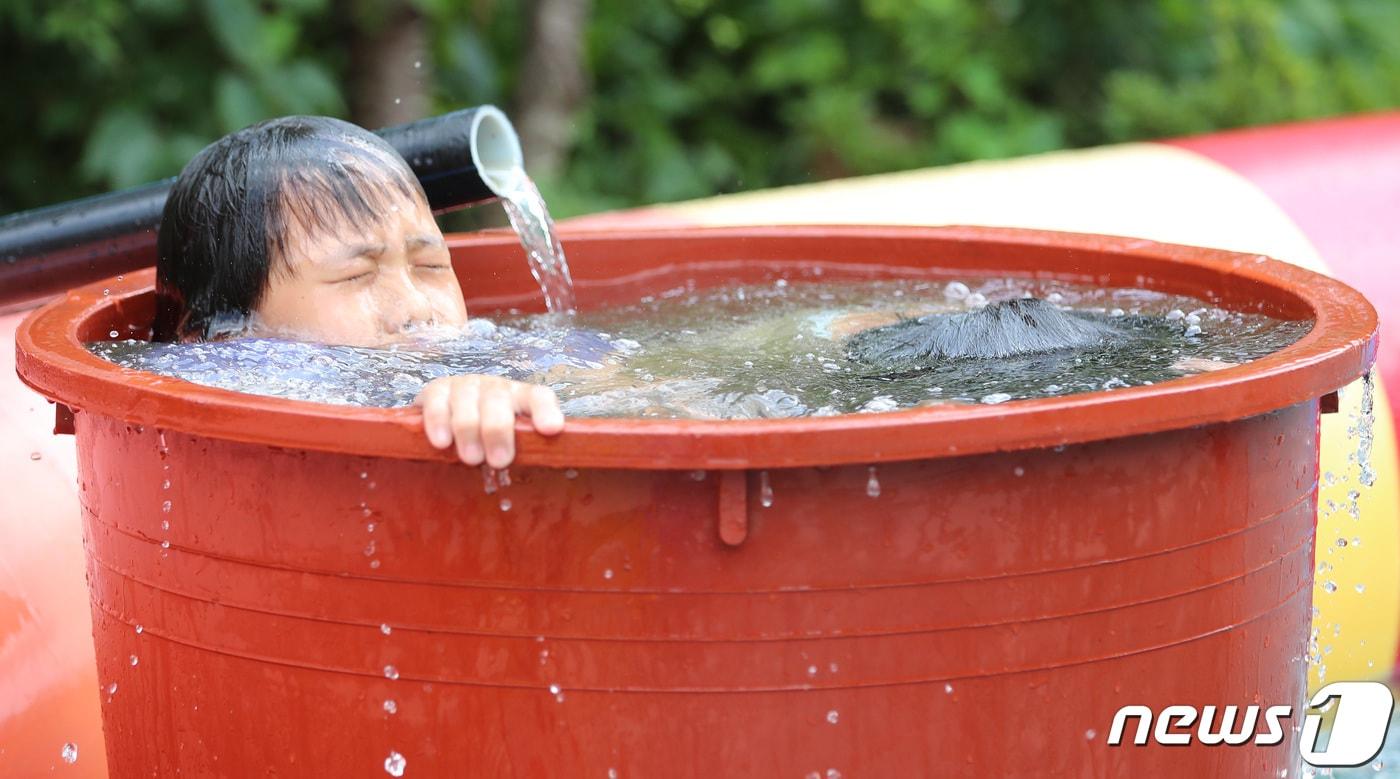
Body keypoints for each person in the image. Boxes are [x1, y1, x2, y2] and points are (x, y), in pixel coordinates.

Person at [154, 115, 563, 469]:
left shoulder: (518, 363)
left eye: (430, 266)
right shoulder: (221, 374)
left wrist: (486, 391)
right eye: (356, 275)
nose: (416, 307)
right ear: (223, 332)